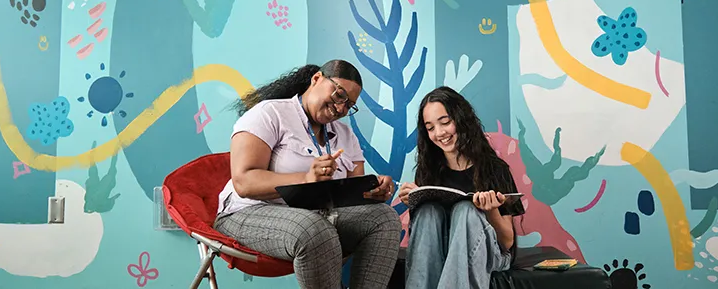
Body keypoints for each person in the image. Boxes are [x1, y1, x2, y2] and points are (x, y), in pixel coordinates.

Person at [213, 60, 402, 289]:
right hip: (248, 211)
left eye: (349, 105)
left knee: (384, 218)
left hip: (317, 216)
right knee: (313, 229)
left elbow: (353, 195)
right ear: (316, 79)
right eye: (339, 95)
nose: (341, 108)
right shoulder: (269, 113)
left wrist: (373, 190)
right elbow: (244, 181)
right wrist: (305, 178)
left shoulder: (344, 133)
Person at [398, 86, 524, 289]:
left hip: (490, 251)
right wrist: (412, 202)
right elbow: (426, 239)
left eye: (445, 122)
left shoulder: (494, 168)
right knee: (428, 210)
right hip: (443, 247)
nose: (439, 133)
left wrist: (491, 210)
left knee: (466, 210)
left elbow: (506, 242)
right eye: (430, 128)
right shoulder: (428, 170)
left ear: (461, 119)